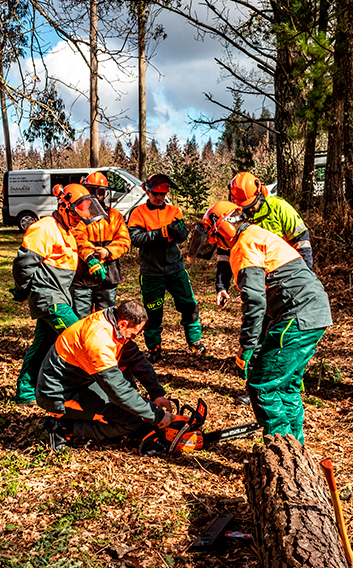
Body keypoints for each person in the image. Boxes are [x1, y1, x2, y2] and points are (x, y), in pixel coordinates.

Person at [202, 201, 332, 444]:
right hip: (313, 310)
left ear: (224, 229)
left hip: (297, 314)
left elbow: (254, 302)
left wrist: (247, 348)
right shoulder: (258, 235)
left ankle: (281, 447)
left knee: (263, 383)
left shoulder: (244, 245)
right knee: (287, 385)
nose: (216, 243)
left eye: (215, 236)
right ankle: (296, 446)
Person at [10, 183, 108, 405]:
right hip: (49, 298)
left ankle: (26, 392)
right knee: (79, 339)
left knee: (42, 346)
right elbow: (23, 264)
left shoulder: (67, 230)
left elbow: (81, 246)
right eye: (75, 214)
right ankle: (88, 393)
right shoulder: (45, 228)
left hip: (60, 295)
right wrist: (22, 290)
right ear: (63, 206)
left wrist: (91, 259)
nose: (78, 219)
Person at [36, 300, 174, 450]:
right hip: (60, 394)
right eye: (133, 335)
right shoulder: (98, 339)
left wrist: (157, 394)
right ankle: (62, 427)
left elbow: (137, 361)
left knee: (132, 410)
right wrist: (156, 415)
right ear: (123, 324)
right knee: (131, 421)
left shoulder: (112, 324)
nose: (133, 338)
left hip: (81, 382)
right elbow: (117, 389)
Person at [190, 171, 314, 309]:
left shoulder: (280, 208)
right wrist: (222, 286)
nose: (247, 212)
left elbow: (303, 245)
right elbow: (224, 254)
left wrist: (305, 280)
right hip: (257, 281)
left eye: (249, 207)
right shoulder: (233, 216)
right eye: (243, 208)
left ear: (260, 194)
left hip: (286, 277)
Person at [128, 173, 206, 363]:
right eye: (156, 194)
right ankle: (154, 347)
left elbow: (182, 236)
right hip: (151, 272)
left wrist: (178, 231)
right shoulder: (138, 213)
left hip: (175, 269)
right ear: (148, 191)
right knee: (153, 311)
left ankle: (194, 341)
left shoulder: (174, 211)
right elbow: (136, 239)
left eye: (163, 194)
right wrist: (162, 232)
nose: (159, 198)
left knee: (189, 304)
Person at [70, 171, 131, 318]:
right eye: (92, 191)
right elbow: (78, 239)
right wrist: (91, 255)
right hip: (83, 275)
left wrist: (107, 252)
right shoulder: (78, 215)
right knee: (81, 318)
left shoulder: (115, 216)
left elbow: (124, 240)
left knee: (105, 317)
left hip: (108, 275)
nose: (97, 195)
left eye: (100, 192)